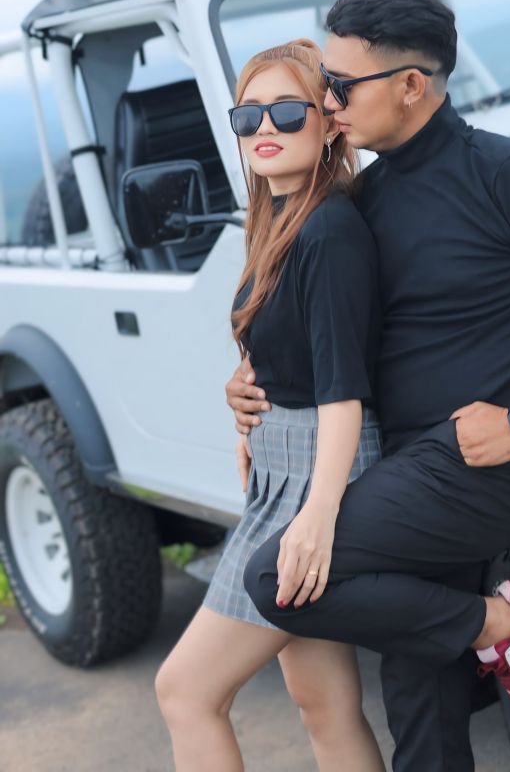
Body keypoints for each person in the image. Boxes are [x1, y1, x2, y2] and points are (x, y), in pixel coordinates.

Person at [228, 0, 510, 771]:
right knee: (419, 709)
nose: (326, 102)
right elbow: (334, 324)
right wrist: (252, 381)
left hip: (487, 466)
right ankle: (485, 631)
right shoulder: (366, 195)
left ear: (410, 85)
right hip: (402, 465)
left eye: (340, 85)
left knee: (276, 580)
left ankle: (509, 626)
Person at [155, 40, 385, 772]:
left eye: (287, 111)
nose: (264, 127)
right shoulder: (283, 218)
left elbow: (343, 392)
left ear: (329, 122)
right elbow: (292, 344)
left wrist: (318, 515)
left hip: (318, 475)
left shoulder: (328, 229)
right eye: (247, 114)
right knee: (322, 701)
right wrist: (250, 394)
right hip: (284, 469)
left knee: (185, 691)